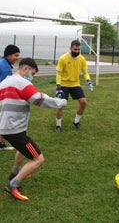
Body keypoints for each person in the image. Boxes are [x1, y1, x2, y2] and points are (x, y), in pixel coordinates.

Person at [0, 58, 67, 201]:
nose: (31, 77)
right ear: (25, 69)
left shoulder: (4, 82)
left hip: (6, 127)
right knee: (38, 159)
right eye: (32, 73)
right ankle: (13, 184)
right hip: (14, 129)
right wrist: (60, 102)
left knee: (22, 150)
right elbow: (39, 99)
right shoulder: (21, 82)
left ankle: (15, 172)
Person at [55, 40, 93, 133]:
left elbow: (85, 72)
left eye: (78, 49)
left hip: (75, 84)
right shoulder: (63, 58)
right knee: (61, 105)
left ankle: (76, 122)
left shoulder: (82, 59)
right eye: (75, 49)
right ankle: (58, 125)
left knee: (84, 103)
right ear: (70, 48)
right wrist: (58, 86)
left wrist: (88, 80)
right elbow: (59, 74)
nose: (76, 51)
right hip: (63, 85)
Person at [0, 44, 20, 150]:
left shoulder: (3, 63)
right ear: (8, 55)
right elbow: (3, 86)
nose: (17, 58)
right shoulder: (5, 68)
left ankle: (1, 144)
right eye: (15, 55)